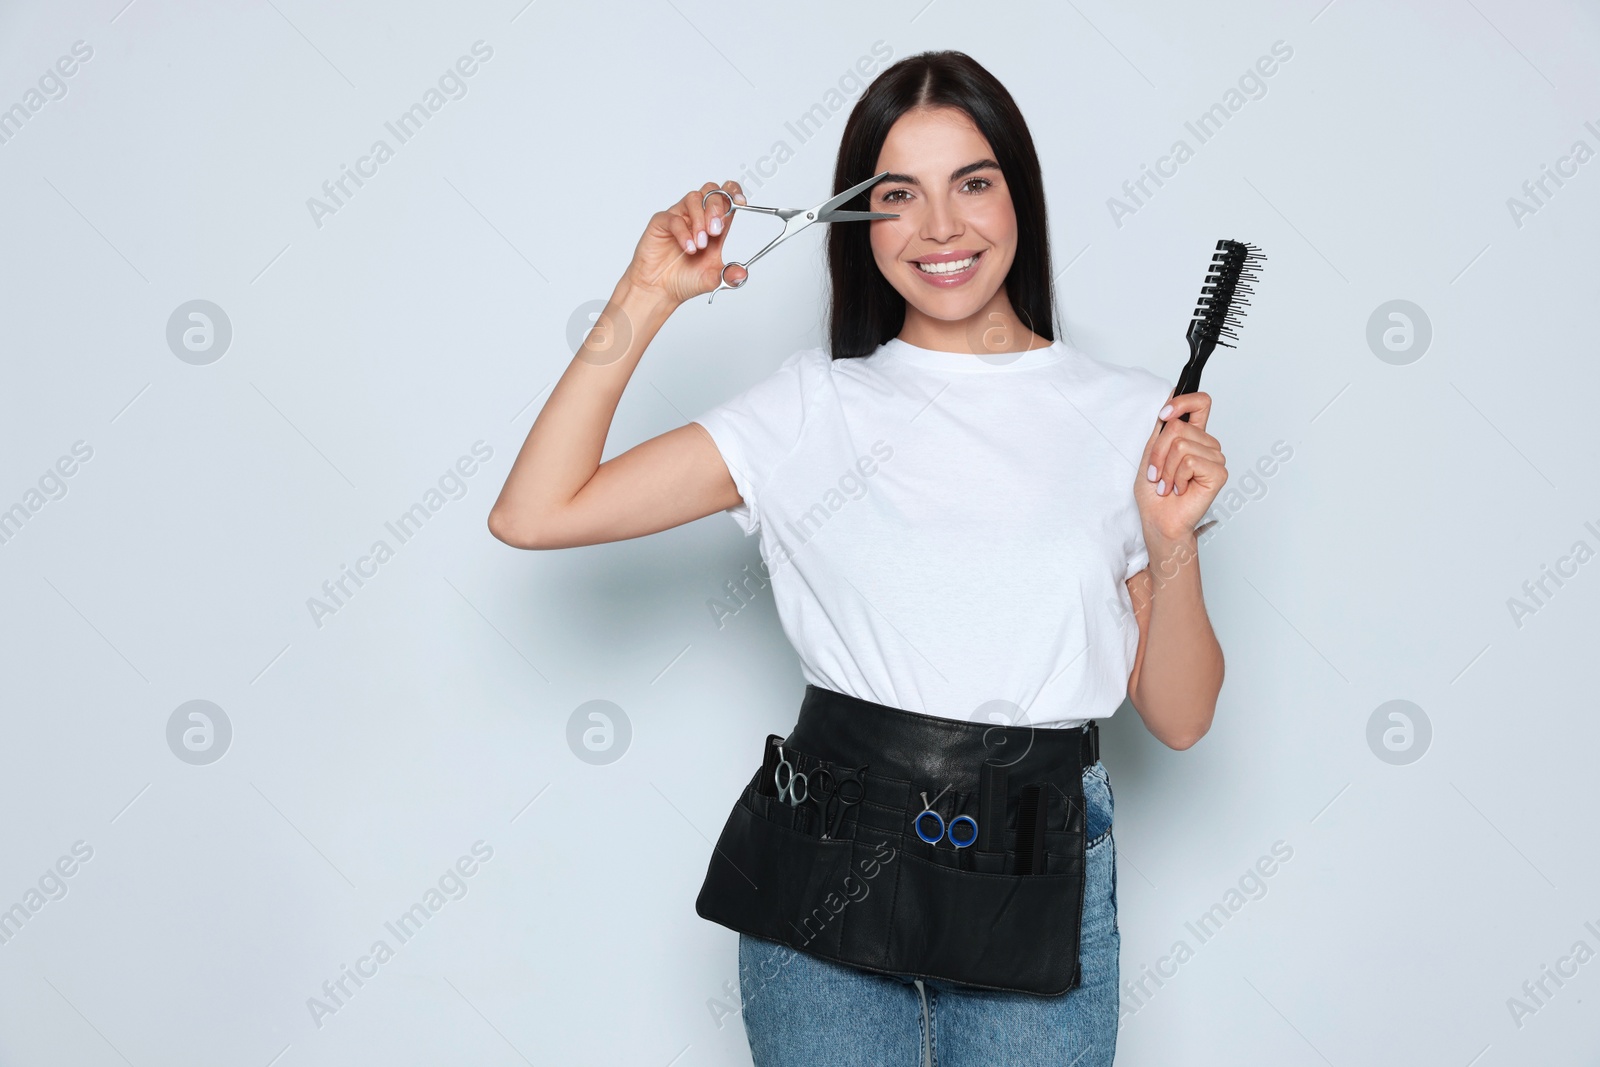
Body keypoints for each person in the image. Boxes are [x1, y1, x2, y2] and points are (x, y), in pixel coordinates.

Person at [489, 49, 1226, 1067]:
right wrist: (647, 291)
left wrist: (1170, 544)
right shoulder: (811, 407)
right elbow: (536, 511)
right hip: (826, 859)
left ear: (1020, 194)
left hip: (1038, 862)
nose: (939, 228)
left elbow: (1179, 718)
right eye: (897, 195)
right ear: (855, 220)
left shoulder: (1125, 415)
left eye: (972, 182)